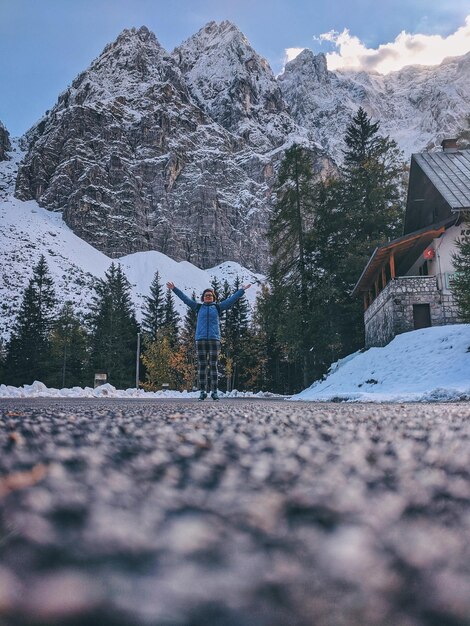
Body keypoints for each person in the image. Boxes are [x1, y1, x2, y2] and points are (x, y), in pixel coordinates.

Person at [167, 281, 251, 400]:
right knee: (202, 366)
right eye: (206, 295)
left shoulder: (218, 307)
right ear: (203, 298)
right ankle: (202, 391)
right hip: (200, 340)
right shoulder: (198, 307)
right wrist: (174, 288)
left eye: (210, 295)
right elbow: (185, 299)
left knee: (213, 366)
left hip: (214, 339)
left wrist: (242, 290)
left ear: (213, 297)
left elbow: (231, 300)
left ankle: (214, 392)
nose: (208, 297)